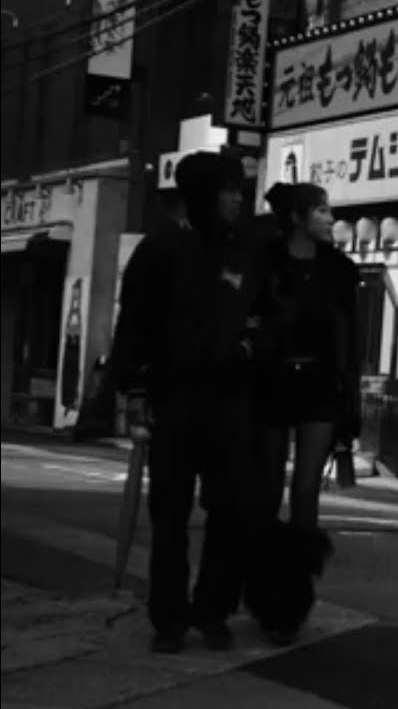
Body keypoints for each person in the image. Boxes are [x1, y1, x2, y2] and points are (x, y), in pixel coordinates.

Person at [108, 151, 267, 653]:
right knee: (169, 515)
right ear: (201, 195)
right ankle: (169, 618)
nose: (238, 199)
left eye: (240, 190)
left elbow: (265, 316)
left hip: (230, 402)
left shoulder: (246, 251)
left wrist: (247, 347)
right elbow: (132, 324)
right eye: (228, 190)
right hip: (174, 400)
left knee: (229, 511)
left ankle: (213, 610)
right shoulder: (159, 251)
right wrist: (133, 389)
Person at [258, 182, 361, 529]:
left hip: (320, 383)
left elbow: (350, 338)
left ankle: (299, 572)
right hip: (270, 381)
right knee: (267, 488)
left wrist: (350, 396)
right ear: (297, 217)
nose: (331, 219)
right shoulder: (264, 262)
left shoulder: (339, 270)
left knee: (307, 489)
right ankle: (260, 567)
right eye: (322, 210)